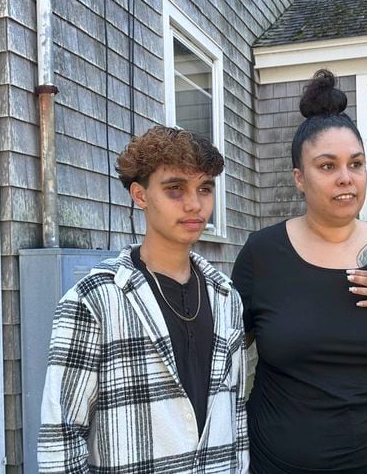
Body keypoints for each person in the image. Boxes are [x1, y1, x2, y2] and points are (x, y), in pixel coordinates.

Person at [232, 70, 367, 473]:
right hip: (282, 461)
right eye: (327, 166)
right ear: (300, 178)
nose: (345, 177)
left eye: (356, 163)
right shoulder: (263, 254)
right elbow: (224, 351)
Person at [38, 126, 249, 472]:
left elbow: (236, 415)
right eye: (175, 189)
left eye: (205, 189)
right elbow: (61, 435)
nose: (195, 204)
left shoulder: (226, 297)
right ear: (140, 195)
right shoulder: (95, 300)